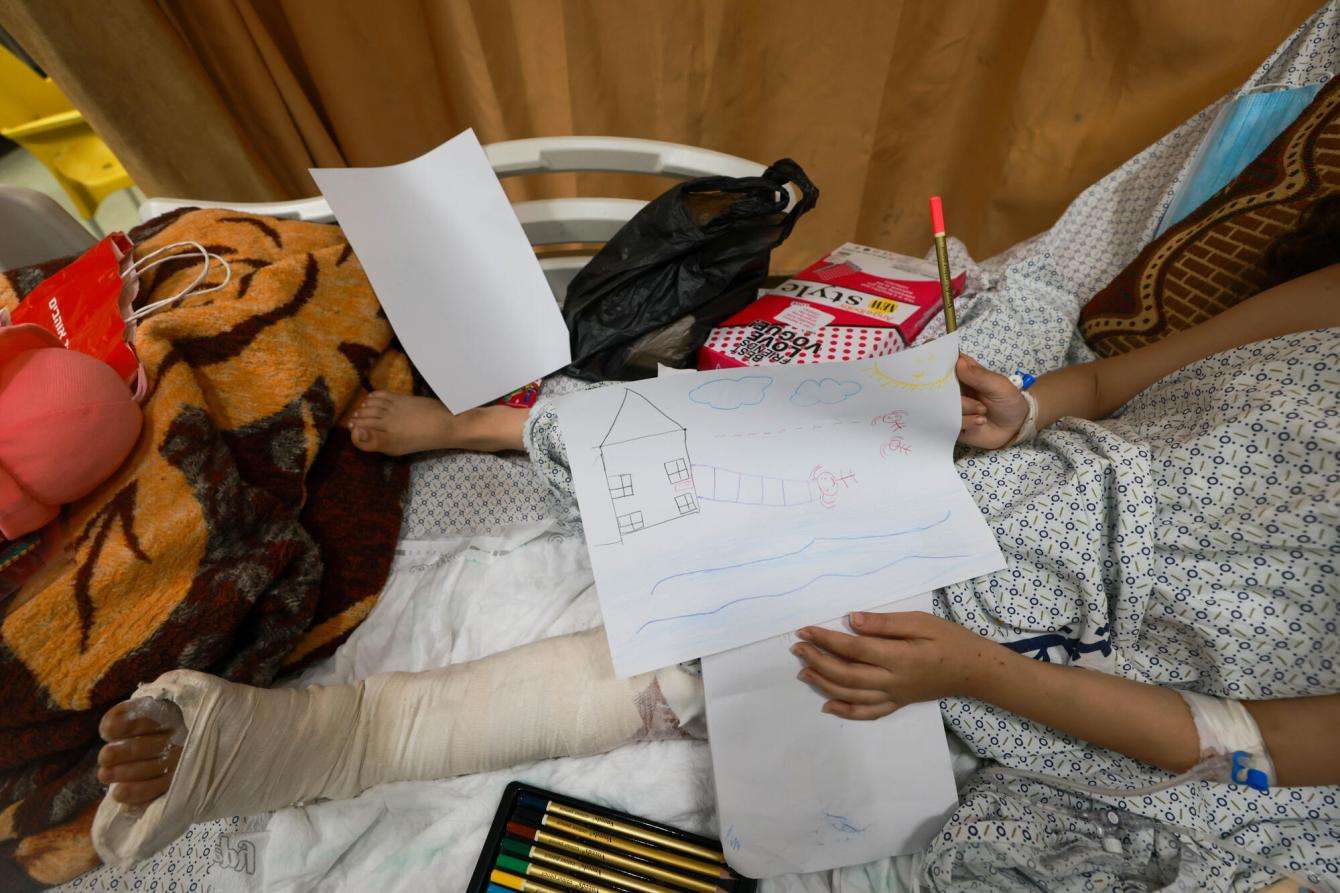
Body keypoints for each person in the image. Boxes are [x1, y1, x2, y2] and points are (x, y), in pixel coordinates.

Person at [92, 250, 1339, 867]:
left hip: (1092, 676)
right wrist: (1018, 402)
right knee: (721, 432)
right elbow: (1115, 379)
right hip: (1004, 485)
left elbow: (1246, 748)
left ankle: (335, 740)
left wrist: (974, 674)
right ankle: (491, 427)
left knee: (794, 647)